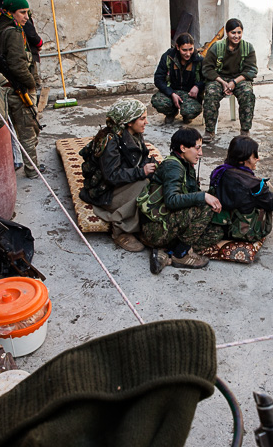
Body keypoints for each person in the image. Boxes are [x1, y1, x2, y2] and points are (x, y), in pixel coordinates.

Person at [139, 128, 226, 273]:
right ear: (183, 148)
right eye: (197, 148)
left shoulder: (185, 163)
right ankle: (181, 254)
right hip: (155, 228)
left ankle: (167, 253)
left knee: (216, 232)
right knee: (205, 207)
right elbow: (171, 200)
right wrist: (203, 196)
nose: (201, 153)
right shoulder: (174, 166)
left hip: (167, 223)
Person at [78, 99, 156, 252]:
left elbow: (140, 157)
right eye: (142, 118)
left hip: (117, 184)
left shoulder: (133, 134)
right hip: (104, 192)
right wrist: (141, 172)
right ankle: (121, 231)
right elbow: (111, 176)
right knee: (143, 185)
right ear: (128, 122)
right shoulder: (111, 143)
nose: (146, 122)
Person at [0, 0, 44, 178]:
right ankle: (32, 169)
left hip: (4, 85)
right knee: (28, 128)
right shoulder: (13, 33)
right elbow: (18, 65)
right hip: (17, 88)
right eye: (22, 12)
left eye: (27, 12)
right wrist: (30, 84)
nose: (26, 17)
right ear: (11, 13)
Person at [209, 136, 273, 242]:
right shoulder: (254, 184)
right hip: (244, 233)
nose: (258, 159)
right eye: (255, 156)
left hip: (222, 227)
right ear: (243, 159)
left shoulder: (219, 172)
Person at [202, 18, 258, 143]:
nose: (236, 36)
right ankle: (209, 130)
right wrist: (223, 82)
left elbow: (251, 70)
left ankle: (245, 130)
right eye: (233, 33)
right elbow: (207, 69)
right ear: (227, 33)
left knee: (248, 93)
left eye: (239, 32)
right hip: (219, 78)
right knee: (211, 93)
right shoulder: (217, 47)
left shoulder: (248, 48)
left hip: (239, 79)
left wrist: (234, 82)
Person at [151, 33, 205, 125]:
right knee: (158, 101)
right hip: (171, 91)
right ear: (177, 47)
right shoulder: (168, 57)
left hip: (189, 94)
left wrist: (197, 86)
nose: (188, 54)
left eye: (190, 49)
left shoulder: (199, 60)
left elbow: (207, 78)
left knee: (190, 110)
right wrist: (171, 93)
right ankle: (171, 113)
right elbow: (158, 79)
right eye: (184, 50)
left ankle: (186, 116)